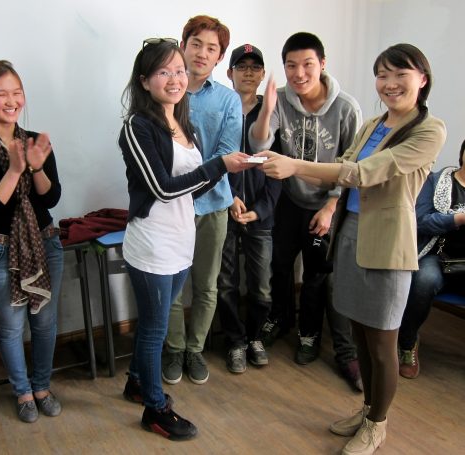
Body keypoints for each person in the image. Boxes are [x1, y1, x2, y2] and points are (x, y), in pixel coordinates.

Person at [259, 43, 446, 455]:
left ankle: (377, 425)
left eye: (400, 74)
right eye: (382, 75)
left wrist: (295, 165)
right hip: (350, 234)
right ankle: (367, 411)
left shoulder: (430, 130)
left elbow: (363, 172)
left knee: (382, 344)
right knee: (360, 334)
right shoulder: (374, 123)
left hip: (388, 243)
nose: (390, 83)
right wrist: (288, 169)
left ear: (422, 79)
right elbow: (342, 167)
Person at [118, 38, 251, 440]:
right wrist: (218, 164)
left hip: (180, 239)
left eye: (178, 70)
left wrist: (222, 170)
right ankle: (155, 409)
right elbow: (162, 188)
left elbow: (190, 189)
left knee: (153, 323)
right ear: (145, 81)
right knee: (155, 329)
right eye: (164, 72)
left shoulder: (181, 121)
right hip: (152, 243)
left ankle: (136, 382)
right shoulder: (137, 127)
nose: (175, 78)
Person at [249, 32, 363, 390]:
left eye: (307, 64)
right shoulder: (281, 99)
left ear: (323, 64)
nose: (299, 74)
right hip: (289, 200)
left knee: (316, 274)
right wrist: (267, 109)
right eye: (291, 66)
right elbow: (259, 143)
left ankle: (310, 334)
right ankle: (281, 319)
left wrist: (331, 206)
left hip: (327, 203)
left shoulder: (346, 108)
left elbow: (353, 165)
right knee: (280, 266)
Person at [0, 61, 63, 424]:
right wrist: (16, 170)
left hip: (46, 243)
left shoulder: (34, 141)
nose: (11, 101)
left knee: (45, 323)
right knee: (11, 327)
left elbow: (51, 199)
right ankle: (22, 392)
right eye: (1, 93)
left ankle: (42, 387)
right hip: (1, 248)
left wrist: (36, 167)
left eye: (17, 93)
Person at [163, 14, 243, 386]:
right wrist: (176, 192)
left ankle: (194, 350)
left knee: (207, 284)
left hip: (213, 205)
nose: (202, 53)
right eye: (196, 44)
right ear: (183, 46)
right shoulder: (165, 90)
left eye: (211, 48)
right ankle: (174, 349)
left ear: (219, 57)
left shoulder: (228, 99)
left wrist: (189, 188)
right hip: (169, 207)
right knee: (172, 285)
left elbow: (226, 155)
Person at [217, 43, 282, 373]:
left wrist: (261, 209)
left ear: (262, 74)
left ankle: (255, 337)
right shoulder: (221, 110)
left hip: (260, 215)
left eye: (255, 67)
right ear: (230, 73)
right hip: (224, 209)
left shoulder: (272, 114)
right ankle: (235, 341)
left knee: (261, 284)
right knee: (226, 282)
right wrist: (228, 197)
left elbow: (278, 166)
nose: (248, 73)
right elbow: (211, 160)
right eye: (241, 67)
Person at [398, 139, 465, 379]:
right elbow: (420, 221)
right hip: (436, 255)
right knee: (424, 280)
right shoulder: (436, 182)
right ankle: (407, 343)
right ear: (462, 153)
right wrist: (457, 219)